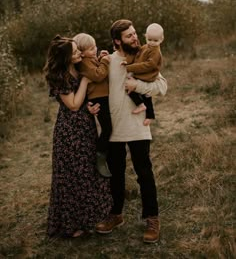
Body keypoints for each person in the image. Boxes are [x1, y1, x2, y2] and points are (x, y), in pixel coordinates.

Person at [95, 19, 167, 244]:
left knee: (144, 173)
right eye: (129, 36)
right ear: (117, 41)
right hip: (115, 129)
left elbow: (162, 86)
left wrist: (138, 87)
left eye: (135, 34)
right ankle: (116, 215)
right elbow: (94, 84)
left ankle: (152, 219)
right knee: (115, 175)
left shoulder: (146, 55)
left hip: (138, 127)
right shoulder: (108, 61)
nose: (135, 38)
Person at [44, 35, 113, 238]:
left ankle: (87, 218)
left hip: (86, 126)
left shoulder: (78, 67)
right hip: (70, 132)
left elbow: (82, 102)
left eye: (78, 50)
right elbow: (72, 104)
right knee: (72, 177)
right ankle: (70, 225)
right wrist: (84, 81)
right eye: (74, 52)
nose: (79, 54)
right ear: (65, 57)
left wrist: (90, 107)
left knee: (87, 173)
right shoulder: (60, 76)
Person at [73, 33, 112, 178]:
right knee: (107, 127)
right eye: (90, 49)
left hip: (103, 96)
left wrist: (101, 58)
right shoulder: (83, 63)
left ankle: (104, 152)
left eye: (95, 46)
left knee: (109, 126)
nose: (94, 49)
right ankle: (100, 155)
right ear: (82, 53)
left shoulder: (89, 59)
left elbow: (97, 67)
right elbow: (98, 75)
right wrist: (106, 62)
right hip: (98, 98)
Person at [121, 23, 164, 126]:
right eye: (149, 40)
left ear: (161, 39)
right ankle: (150, 114)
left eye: (155, 40)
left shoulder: (156, 52)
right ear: (146, 37)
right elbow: (139, 53)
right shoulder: (146, 47)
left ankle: (141, 106)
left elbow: (149, 65)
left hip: (147, 75)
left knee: (133, 89)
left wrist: (129, 67)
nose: (152, 43)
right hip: (142, 74)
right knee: (146, 95)